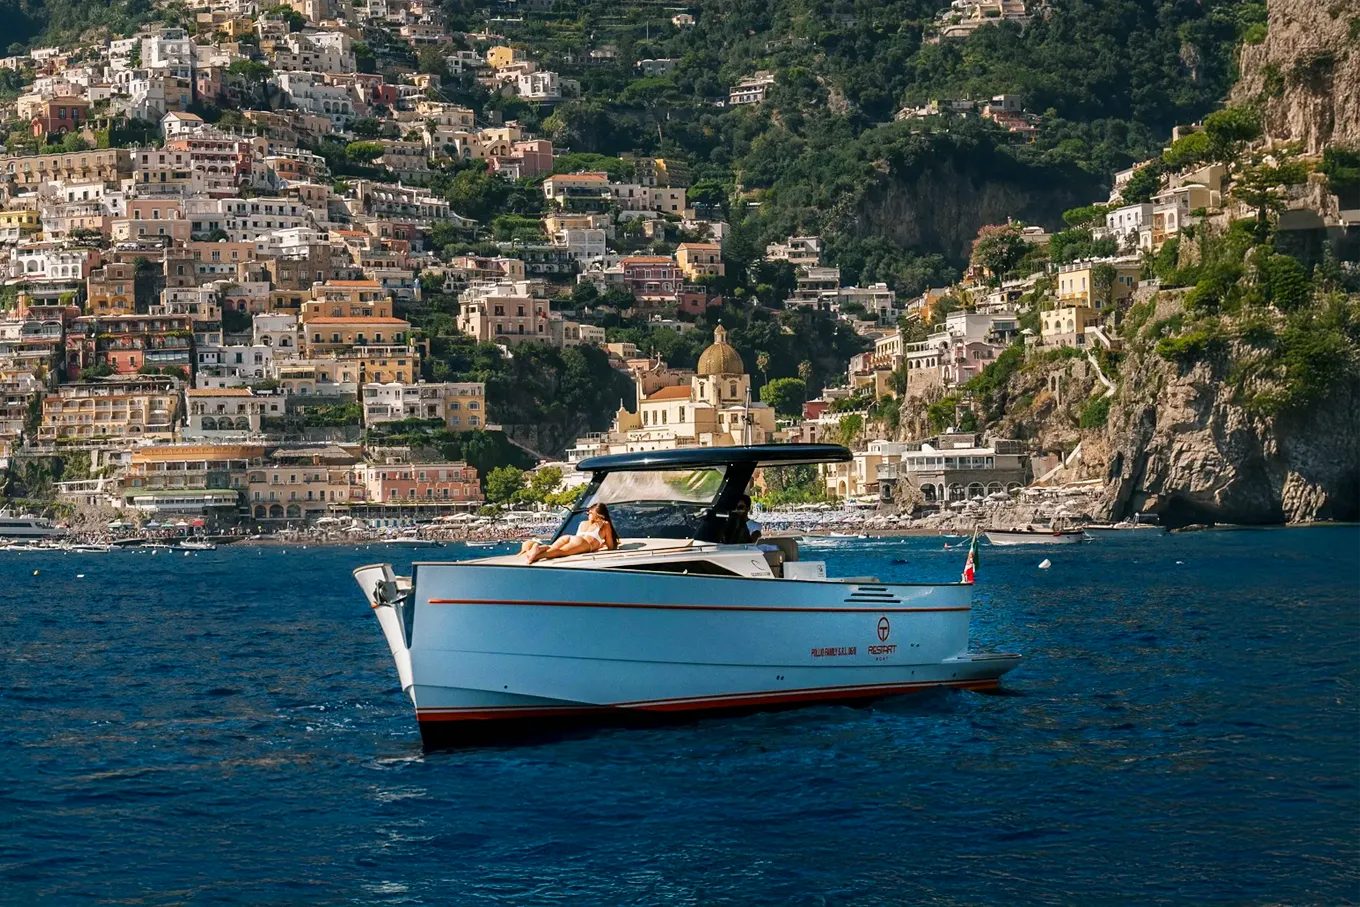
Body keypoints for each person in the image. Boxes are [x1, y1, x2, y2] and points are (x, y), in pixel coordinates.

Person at [520, 502, 619, 564]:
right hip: (583, 543)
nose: (588, 515)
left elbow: (578, 538)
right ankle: (535, 556)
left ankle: (538, 547)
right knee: (560, 552)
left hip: (570, 537)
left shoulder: (582, 523)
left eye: (589, 513)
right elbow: (610, 546)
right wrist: (601, 544)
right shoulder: (604, 524)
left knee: (551, 547)